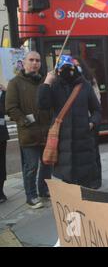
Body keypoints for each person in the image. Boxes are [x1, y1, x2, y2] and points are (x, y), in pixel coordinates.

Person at [38, 55, 101, 188]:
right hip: (63, 145)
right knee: (69, 187)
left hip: (83, 143)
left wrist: (92, 123)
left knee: (85, 186)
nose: (67, 72)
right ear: (58, 71)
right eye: (63, 69)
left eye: (70, 68)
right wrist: (46, 83)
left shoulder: (85, 86)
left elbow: (96, 110)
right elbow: (42, 105)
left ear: (75, 69)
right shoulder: (54, 86)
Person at [5, 51, 52, 209]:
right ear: (24, 62)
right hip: (29, 133)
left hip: (45, 132)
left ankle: (43, 190)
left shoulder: (45, 81)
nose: (35, 63)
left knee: (47, 164)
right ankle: (30, 196)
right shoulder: (15, 83)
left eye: (37, 60)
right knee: (31, 167)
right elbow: (11, 107)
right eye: (31, 60)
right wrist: (25, 121)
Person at [74, 57, 102, 189]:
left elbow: (97, 101)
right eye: (73, 65)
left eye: (78, 65)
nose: (76, 68)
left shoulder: (90, 81)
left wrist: (91, 122)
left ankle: (96, 180)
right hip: (77, 123)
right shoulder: (69, 82)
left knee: (94, 152)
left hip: (90, 122)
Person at [0, 84, 10, 204]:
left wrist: (6, 93)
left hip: (1, 134)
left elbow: (6, 109)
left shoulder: (3, 94)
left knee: (1, 164)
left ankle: (1, 191)